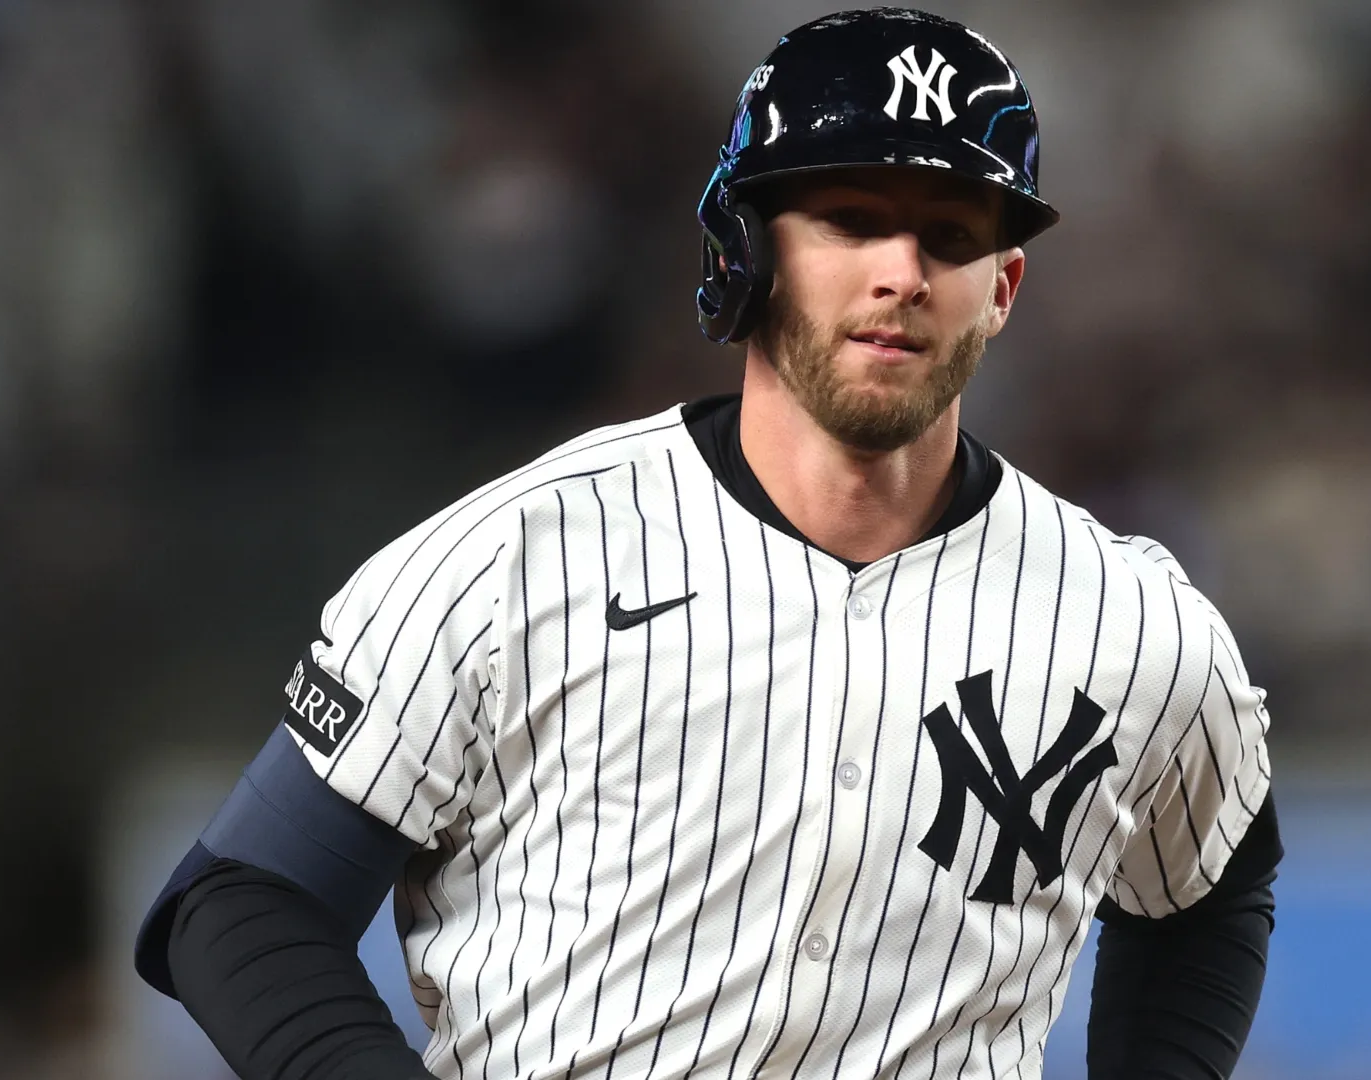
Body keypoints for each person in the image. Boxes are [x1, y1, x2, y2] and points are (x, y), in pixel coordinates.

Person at [134, 9, 1281, 1079]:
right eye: (851, 221)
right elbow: (241, 902)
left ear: (1004, 287)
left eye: (950, 235)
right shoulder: (515, 560)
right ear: (750, 250)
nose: (902, 273)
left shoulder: (1133, 622)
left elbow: (1213, 894)